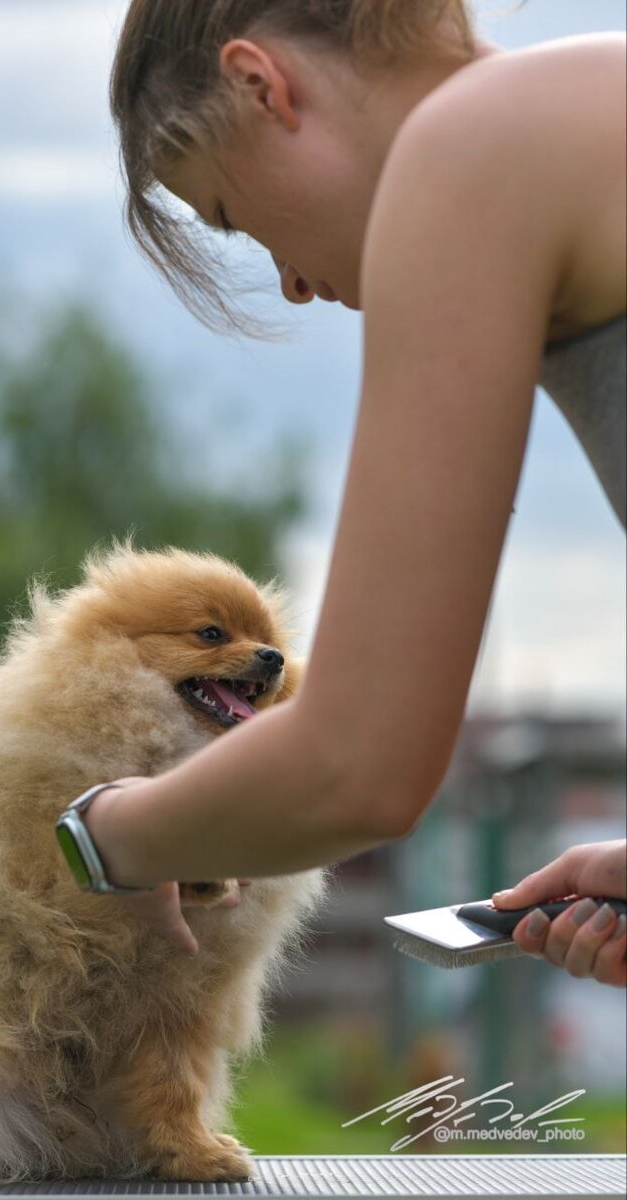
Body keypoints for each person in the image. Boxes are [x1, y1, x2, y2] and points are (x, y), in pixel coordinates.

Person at [77, 1, 626, 987]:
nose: (288, 282)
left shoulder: (477, 149)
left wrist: (94, 831)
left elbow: (356, 766)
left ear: (261, 83)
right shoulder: (586, 111)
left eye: (233, 216)